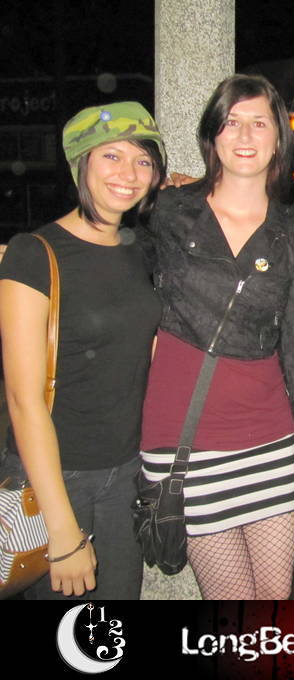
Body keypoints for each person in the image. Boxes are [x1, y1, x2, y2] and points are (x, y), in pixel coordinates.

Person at [137, 74, 294, 600]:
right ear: (212, 135)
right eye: (231, 122)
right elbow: (110, 266)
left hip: (271, 443)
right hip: (186, 441)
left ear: (279, 138)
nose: (245, 135)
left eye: (259, 123)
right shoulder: (167, 211)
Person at [0, 102, 166, 599]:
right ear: (80, 165)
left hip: (127, 472)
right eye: (111, 156)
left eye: (143, 160)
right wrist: (62, 529)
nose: (128, 174)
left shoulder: (140, 250)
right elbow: (23, 400)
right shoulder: (34, 253)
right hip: (55, 476)